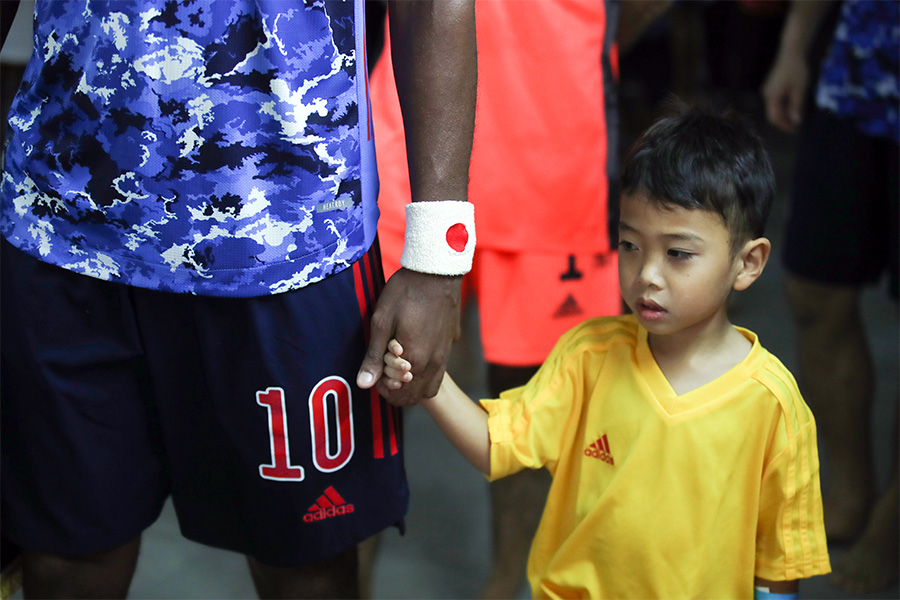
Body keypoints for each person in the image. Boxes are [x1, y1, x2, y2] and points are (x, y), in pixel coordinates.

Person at [0, 1, 475, 598]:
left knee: (306, 567)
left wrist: (437, 260)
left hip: (290, 236)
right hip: (58, 224)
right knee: (64, 558)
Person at [380, 106, 831, 599]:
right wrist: (429, 376)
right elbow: (496, 446)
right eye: (630, 245)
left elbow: (779, 567)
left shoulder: (774, 405)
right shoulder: (588, 356)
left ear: (748, 263)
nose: (647, 274)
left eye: (678, 253)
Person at [368, 1, 670, 595]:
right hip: (400, 142)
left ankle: (511, 586)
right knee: (362, 391)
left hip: (551, 146)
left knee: (544, 409)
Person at [762, 0, 899, 593]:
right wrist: (796, 44)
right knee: (814, 287)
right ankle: (849, 493)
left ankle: (893, 526)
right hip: (859, 67)